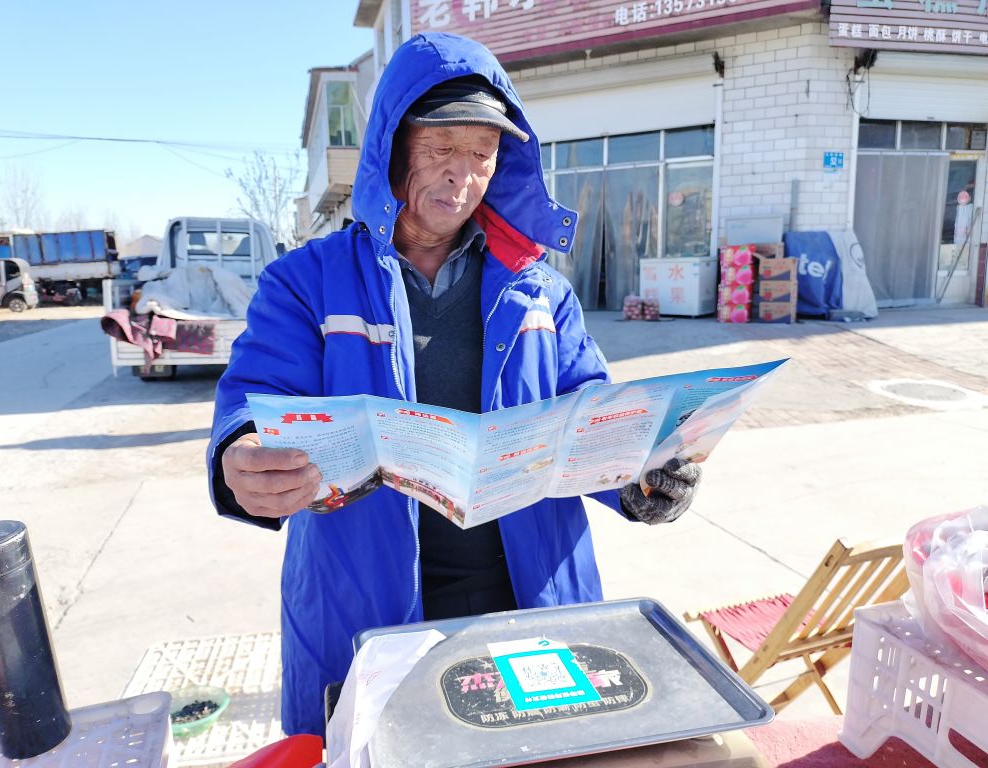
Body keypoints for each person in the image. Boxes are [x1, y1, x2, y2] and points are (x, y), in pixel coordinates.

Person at [208, 31, 702, 737]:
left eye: (482, 153)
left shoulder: (541, 294)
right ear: (393, 148)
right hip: (367, 610)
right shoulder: (307, 283)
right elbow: (254, 400)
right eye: (440, 148)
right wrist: (242, 457)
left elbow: (590, 421)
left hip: (529, 603)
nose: (461, 177)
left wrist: (642, 473)